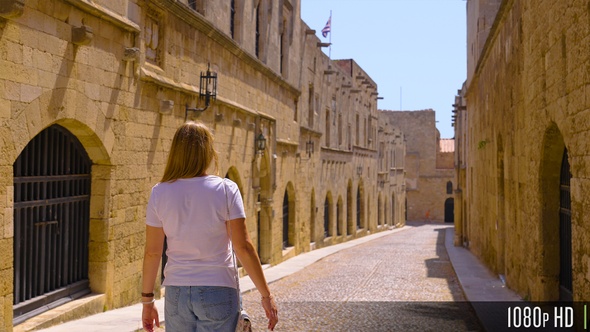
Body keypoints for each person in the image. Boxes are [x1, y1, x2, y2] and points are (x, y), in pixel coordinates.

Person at [141, 121, 278, 332]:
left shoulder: (159, 193)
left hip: (176, 292)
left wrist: (148, 302)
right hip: (218, 288)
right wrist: (266, 295)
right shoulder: (225, 189)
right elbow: (243, 247)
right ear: (208, 152)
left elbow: (152, 252)